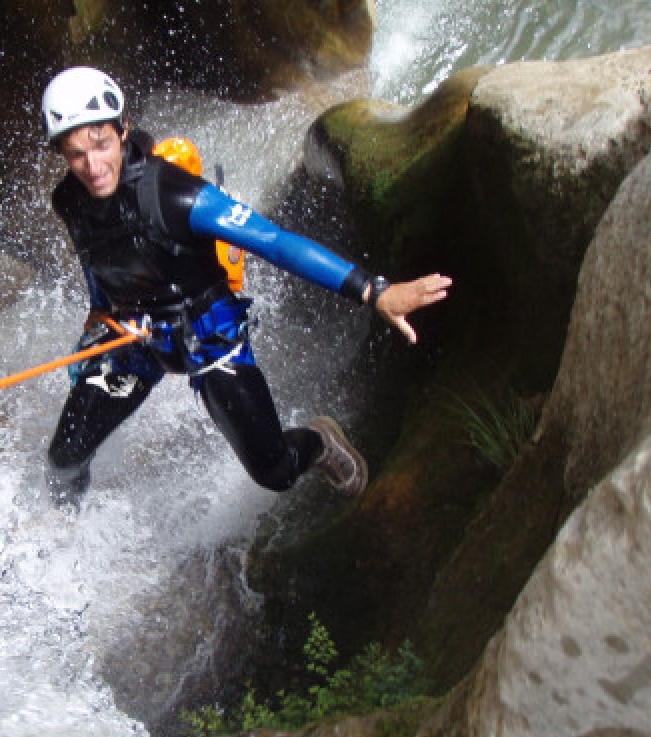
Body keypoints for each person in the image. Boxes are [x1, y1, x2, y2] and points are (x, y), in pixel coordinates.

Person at [40, 66, 451, 508]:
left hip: (207, 337)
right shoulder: (70, 201)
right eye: (75, 153)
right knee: (63, 459)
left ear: (123, 131)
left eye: (101, 145)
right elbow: (96, 259)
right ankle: (62, 531)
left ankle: (320, 442)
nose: (92, 165)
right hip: (134, 337)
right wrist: (99, 314)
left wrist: (373, 291)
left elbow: (276, 243)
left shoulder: (178, 197)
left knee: (274, 471)